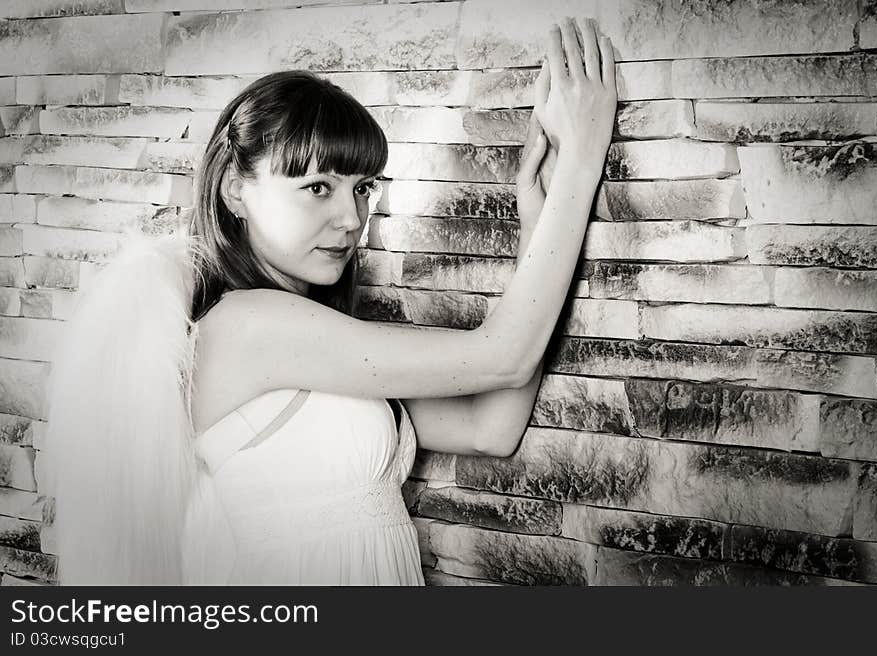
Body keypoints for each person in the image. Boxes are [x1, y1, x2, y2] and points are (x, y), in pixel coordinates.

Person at [45, 17, 617, 585]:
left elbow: (490, 427)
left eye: (362, 187)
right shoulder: (250, 326)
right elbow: (505, 355)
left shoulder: (318, 340)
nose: (351, 220)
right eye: (318, 187)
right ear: (234, 191)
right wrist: (581, 162)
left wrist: (535, 225)